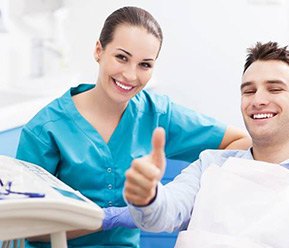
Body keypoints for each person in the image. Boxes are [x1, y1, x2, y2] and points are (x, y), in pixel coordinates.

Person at [15, 6, 251, 248]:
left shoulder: (157, 113)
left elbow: (241, 143)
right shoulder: (46, 129)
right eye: (121, 57)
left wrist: (177, 195)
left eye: (145, 65)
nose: (130, 75)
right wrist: (107, 219)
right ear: (99, 50)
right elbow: (26, 227)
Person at [124, 41, 289, 247]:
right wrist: (147, 196)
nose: (258, 100)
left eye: (275, 89)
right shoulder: (211, 164)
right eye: (249, 91)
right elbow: (161, 215)